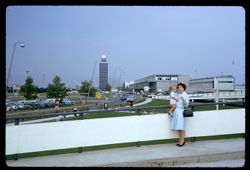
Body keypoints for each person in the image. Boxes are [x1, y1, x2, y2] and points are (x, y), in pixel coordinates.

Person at [170, 83, 189, 147]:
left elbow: (186, 106)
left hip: (181, 112)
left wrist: (183, 100)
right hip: (176, 112)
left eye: (181, 87)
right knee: (178, 127)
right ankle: (180, 140)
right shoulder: (177, 94)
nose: (179, 88)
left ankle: (182, 141)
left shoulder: (186, 95)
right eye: (178, 87)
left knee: (181, 127)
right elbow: (172, 96)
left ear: (184, 88)